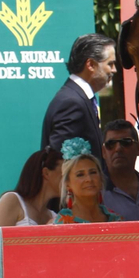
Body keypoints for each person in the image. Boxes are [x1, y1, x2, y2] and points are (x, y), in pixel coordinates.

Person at [41, 33, 116, 177]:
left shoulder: (78, 98)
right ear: (91, 65)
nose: (114, 70)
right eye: (110, 64)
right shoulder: (72, 102)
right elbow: (59, 164)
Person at [0, 147, 62, 227]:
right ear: (46, 173)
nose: (68, 181)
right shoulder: (12, 200)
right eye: (64, 174)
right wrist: (45, 231)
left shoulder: (54, 216)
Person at [53, 139, 118, 224]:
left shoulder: (115, 220)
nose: (89, 179)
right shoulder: (62, 224)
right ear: (67, 184)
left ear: (101, 178)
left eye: (93, 172)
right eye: (80, 175)